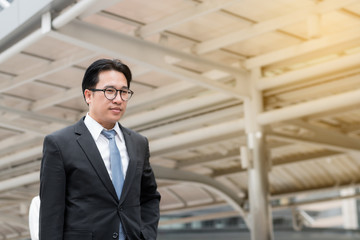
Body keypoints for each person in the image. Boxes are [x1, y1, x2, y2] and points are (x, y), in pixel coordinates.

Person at [39, 59, 161, 240]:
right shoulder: (59, 144)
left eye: (124, 92)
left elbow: (149, 197)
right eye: (110, 91)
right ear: (88, 95)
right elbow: (51, 212)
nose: (118, 99)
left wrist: (146, 235)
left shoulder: (138, 143)